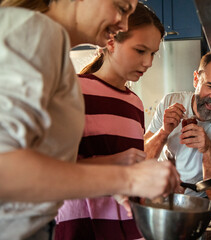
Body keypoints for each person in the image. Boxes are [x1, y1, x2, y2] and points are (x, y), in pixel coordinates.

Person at [0, 1, 180, 240]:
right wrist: (127, 178)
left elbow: (46, 164)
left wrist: (115, 177)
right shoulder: (36, 31)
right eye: (121, 7)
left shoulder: (51, 46)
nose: (123, 24)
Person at [54, 3, 164, 240]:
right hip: (82, 229)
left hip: (129, 228)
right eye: (140, 50)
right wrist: (116, 163)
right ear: (111, 41)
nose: (149, 63)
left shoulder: (135, 103)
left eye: (153, 53)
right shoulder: (73, 90)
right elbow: (51, 171)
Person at [144, 52, 211, 206]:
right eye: (210, 86)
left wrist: (208, 149)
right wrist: (164, 131)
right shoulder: (170, 102)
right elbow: (141, 161)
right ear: (196, 79)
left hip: (198, 206)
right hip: (157, 198)